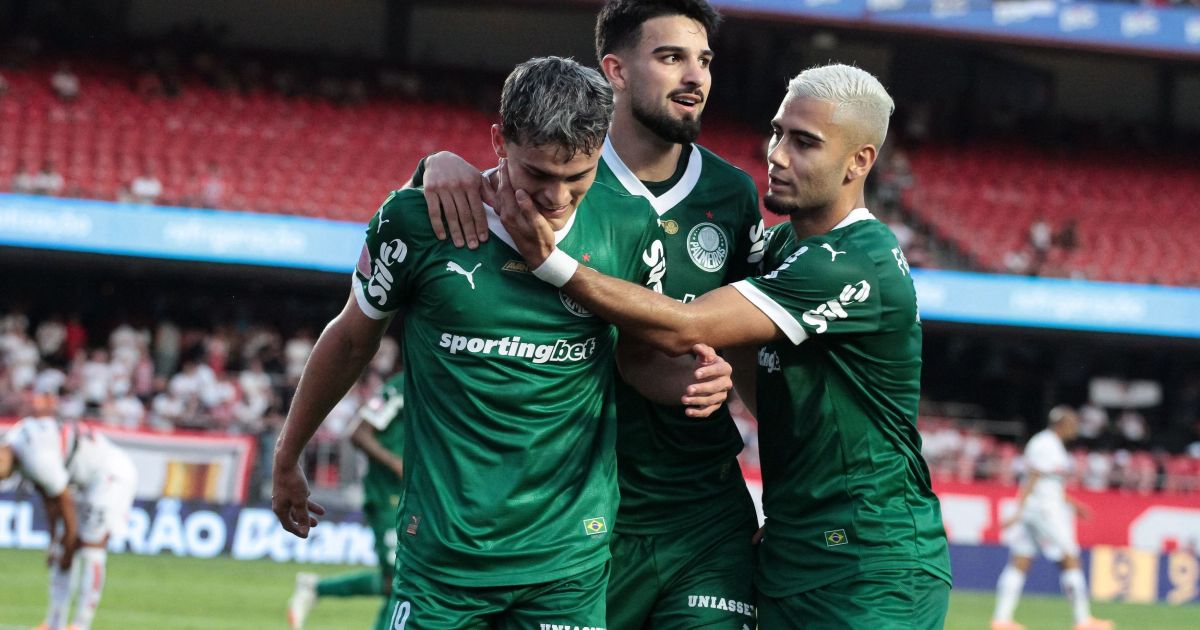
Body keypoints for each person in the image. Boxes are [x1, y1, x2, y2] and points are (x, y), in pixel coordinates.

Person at [270, 56, 732, 630]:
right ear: (498, 142)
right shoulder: (418, 221)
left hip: (567, 561)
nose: (557, 196)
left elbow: (636, 358)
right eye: (537, 174)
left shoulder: (631, 226)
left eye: (578, 176)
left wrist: (692, 380)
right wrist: (288, 453)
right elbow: (348, 341)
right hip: (441, 560)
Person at [496, 63, 953, 628]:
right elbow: (764, 385)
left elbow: (684, 326)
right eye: (778, 133)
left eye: (805, 142)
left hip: (873, 564)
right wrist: (445, 168)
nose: (777, 155)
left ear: (859, 161)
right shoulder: (781, 251)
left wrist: (552, 264)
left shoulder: (854, 261)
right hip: (795, 549)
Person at [417, 2, 764, 626]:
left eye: (704, 60)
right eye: (671, 57)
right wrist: (434, 164)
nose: (695, 76)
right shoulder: (551, 182)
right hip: (583, 520)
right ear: (616, 70)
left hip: (703, 507)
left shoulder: (733, 194)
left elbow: (751, 350)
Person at [0, 392, 137, 630]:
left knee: (91, 548)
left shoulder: (35, 456)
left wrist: (69, 541)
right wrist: (56, 541)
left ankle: (81, 624)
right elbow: (49, 497)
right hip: (83, 481)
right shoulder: (16, 442)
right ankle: (54, 623)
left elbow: (63, 499)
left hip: (109, 476)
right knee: (63, 550)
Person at [288, 370, 408, 630]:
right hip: (387, 494)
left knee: (402, 579)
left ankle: (315, 588)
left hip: (413, 495)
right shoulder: (400, 387)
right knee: (398, 579)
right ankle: (317, 588)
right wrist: (394, 462)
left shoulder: (440, 389)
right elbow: (358, 433)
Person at [991, 406, 1113, 630]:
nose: (1075, 427)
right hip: (1044, 511)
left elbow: (1050, 484)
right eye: (1072, 423)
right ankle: (1083, 620)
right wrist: (1018, 510)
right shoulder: (1045, 444)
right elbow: (1033, 477)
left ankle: (1002, 619)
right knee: (1070, 557)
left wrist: (1074, 504)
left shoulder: (1050, 444)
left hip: (1038, 508)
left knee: (1021, 559)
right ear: (1061, 423)